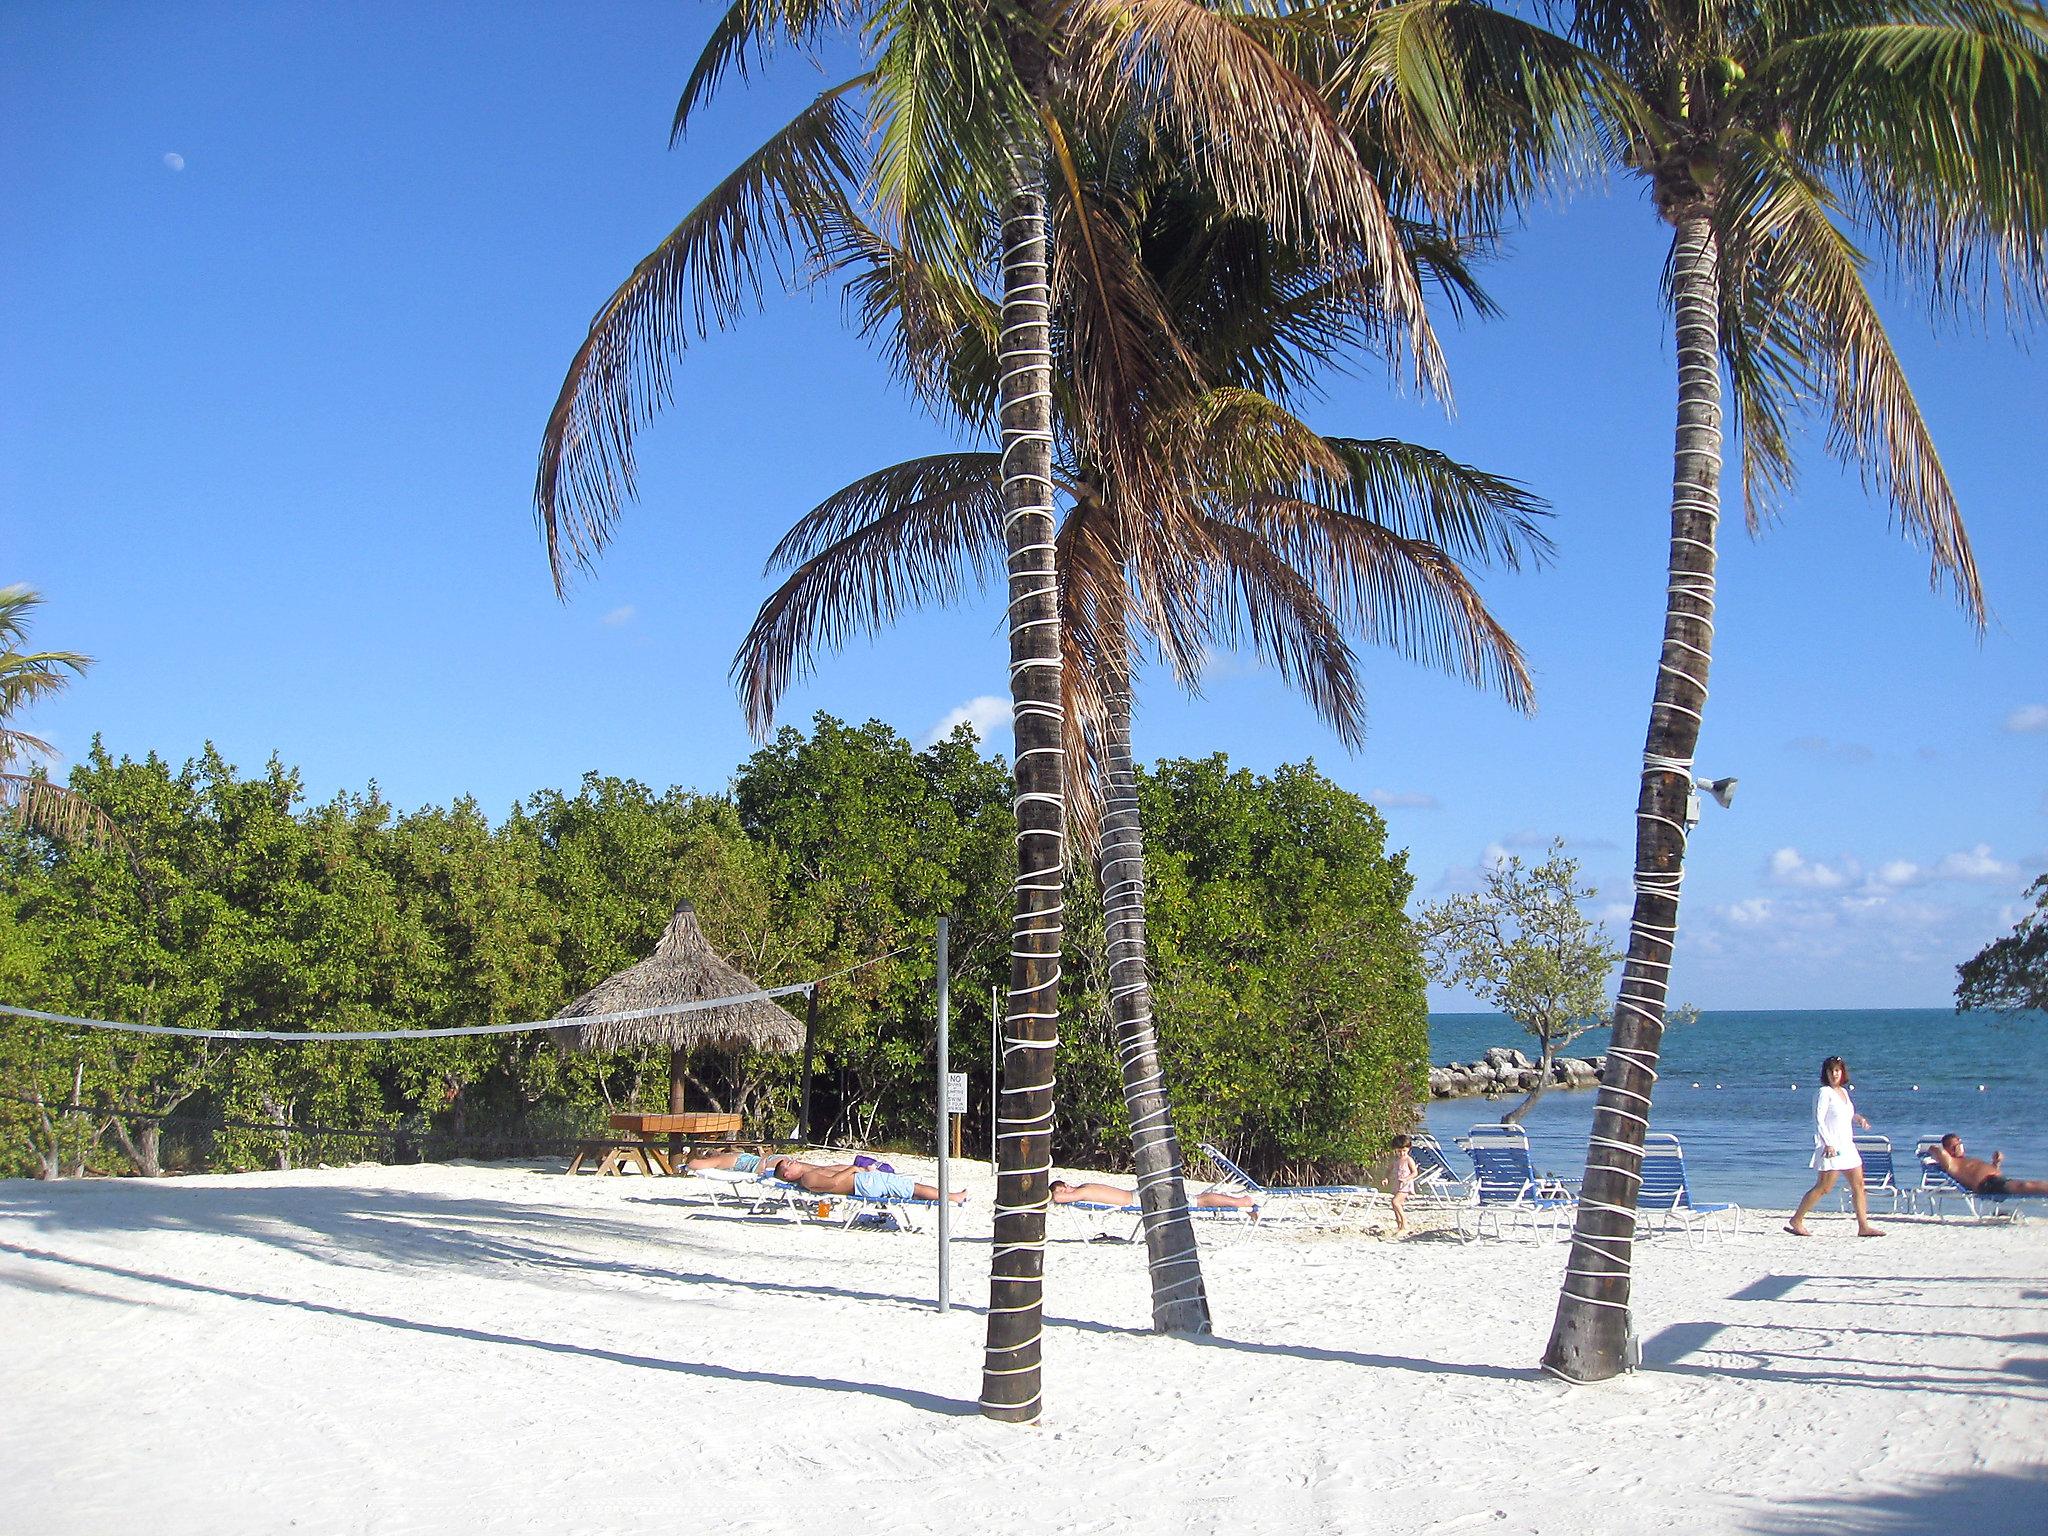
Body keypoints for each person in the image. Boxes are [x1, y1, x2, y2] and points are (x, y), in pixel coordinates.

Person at [1786, 1055, 1885, 1237]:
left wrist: (1859, 1119)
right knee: (1824, 1187)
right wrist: (1828, 1143)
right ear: (1826, 1073)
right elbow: (1819, 1120)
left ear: (1842, 1072)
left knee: (1859, 1185)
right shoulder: (1824, 1093)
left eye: (1837, 1070)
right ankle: (1797, 1220)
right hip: (1831, 1147)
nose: (1834, 1074)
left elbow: (1847, 1114)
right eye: (1830, 1071)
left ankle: (1863, 1226)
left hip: (1847, 1146)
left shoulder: (1844, 1092)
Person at [767, 1157, 964, 1204]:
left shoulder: (808, 1171)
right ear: (787, 1175)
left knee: (910, 1186)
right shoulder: (807, 1178)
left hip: (863, 1180)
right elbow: (833, 1183)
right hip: (863, 1184)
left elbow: (834, 1172)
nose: (793, 1161)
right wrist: (853, 1169)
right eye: (789, 1164)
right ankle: (954, 1197)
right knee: (912, 1188)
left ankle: (951, 1196)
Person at [1928, 1134, 2048, 1197]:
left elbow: (1990, 1172)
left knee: (2027, 1185)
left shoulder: (1965, 1160)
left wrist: (1996, 1163)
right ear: (1947, 1149)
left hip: (1996, 1181)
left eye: (1960, 1144)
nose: (1959, 1148)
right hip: (1987, 1185)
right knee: (2026, 1185)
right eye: (1955, 1146)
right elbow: (1936, 1150)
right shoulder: (1951, 1163)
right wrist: (1938, 1149)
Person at [1048, 1178, 1257, 1214]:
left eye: (1063, 1189)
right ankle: (1239, 1202)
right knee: (1197, 1199)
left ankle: (1242, 1202)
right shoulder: (1084, 1187)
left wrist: (1051, 1194)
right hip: (1137, 1196)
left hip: (1138, 1200)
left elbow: (1058, 1198)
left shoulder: (1082, 1191)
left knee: (1198, 1202)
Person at [1389, 1135, 1419, 1235]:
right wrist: (1385, 1178)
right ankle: (1399, 1225)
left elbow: (1415, 1173)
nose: (1402, 1153)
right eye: (1399, 1151)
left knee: (1395, 1202)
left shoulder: (1408, 1160)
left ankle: (1405, 1223)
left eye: (1404, 1151)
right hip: (1397, 1184)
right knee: (1397, 1205)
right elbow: (1388, 1170)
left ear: (1408, 1149)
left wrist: (1406, 1179)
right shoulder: (1396, 1160)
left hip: (1405, 1186)